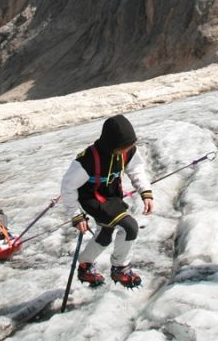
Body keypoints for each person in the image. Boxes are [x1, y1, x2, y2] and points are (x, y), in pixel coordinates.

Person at [61, 114, 154, 288]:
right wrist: (76, 215)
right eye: (124, 147)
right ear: (111, 144)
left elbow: (136, 170)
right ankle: (120, 268)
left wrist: (145, 192)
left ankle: (85, 266)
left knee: (105, 234)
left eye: (130, 146)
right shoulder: (87, 160)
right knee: (129, 227)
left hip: (112, 196)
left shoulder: (128, 150)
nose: (128, 150)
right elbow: (67, 186)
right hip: (92, 199)